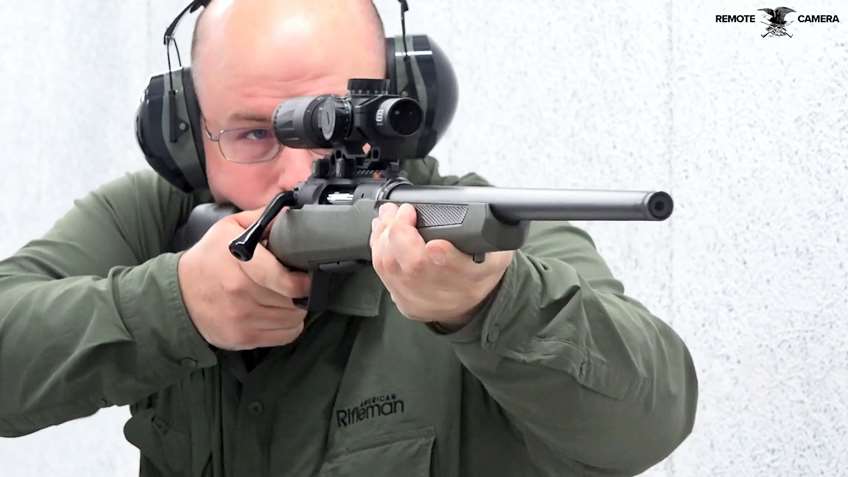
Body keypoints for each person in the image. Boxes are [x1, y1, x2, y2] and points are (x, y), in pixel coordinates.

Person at [0, 0, 698, 475]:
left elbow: (651, 416)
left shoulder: (474, 232)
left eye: (342, 120)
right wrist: (174, 307)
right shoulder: (157, 218)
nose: (301, 169)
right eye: (253, 134)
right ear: (185, 137)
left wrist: (490, 305)